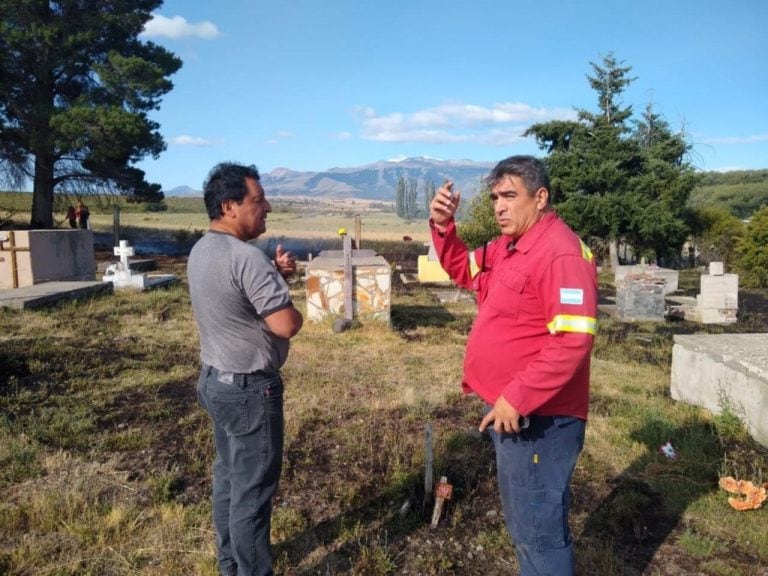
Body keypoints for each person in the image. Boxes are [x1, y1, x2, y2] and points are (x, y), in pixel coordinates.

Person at [428, 155, 598, 576]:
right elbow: (462, 269)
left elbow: (573, 341)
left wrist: (516, 398)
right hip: (512, 413)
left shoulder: (561, 254)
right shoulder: (508, 247)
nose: (499, 206)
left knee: (539, 534)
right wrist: (444, 228)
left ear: (540, 198)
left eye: (509, 196)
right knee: (525, 527)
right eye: (494, 198)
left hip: (540, 420)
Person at [188, 162, 303, 576]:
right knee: (252, 495)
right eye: (258, 200)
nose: (267, 207)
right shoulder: (246, 258)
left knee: (230, 480)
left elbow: (234, 299)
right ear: (229, 206)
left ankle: (230, 566)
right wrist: (283, 292)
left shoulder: (202, 250)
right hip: (250, 392)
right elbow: (285, 324)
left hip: (215, 381)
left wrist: (274, 276)